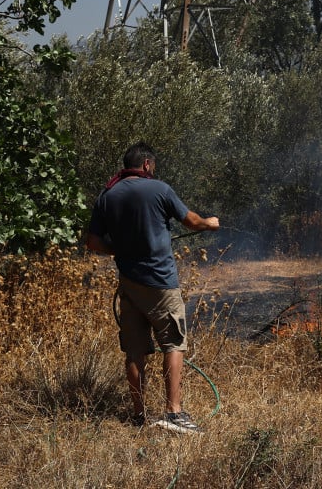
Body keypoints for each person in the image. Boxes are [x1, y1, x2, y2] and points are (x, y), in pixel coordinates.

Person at [86, 142, 219, 434]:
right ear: (147, 164)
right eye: (153, 166)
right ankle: (174, 413)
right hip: (161, 283)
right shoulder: (159, 189)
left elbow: (93, 242)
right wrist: (209, 223)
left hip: (129, 285)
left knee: (135, 351)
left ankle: (138, 415)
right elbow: (192, 221)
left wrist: (118, 249)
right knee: (173, 342)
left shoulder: (107, 195)